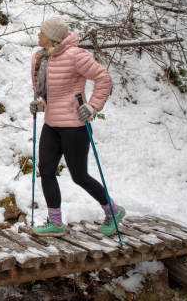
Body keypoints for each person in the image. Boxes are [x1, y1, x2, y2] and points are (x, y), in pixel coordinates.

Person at [29, 17, 124, 237]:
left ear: (52, 37)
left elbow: (103, 78)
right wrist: (41, 104)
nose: (38, 35)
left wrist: (92, 107)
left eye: (42, 32)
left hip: (74, 126)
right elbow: (55, 94)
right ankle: (55, 223)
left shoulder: (75, 56)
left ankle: (113, 211)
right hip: (51, 124)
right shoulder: (42, 58)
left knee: (79, 176)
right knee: (46, 171)